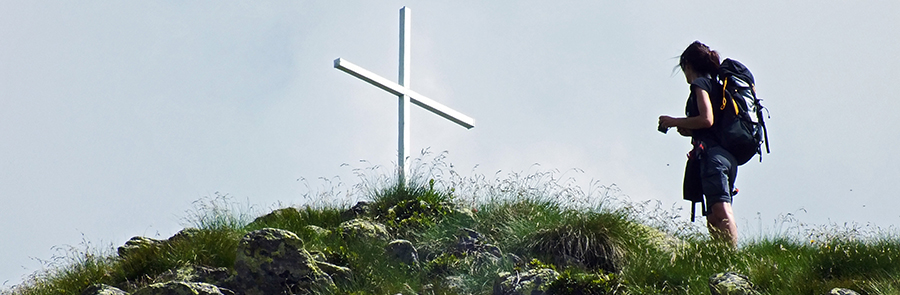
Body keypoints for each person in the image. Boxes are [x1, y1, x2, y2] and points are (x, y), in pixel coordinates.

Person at [658, 41, 739, 247]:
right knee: (712, 214)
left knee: (719, 209)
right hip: (728, 157)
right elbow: (711, 125)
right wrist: (688, 129)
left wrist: (674, 121)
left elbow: (706, 119)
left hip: (714, 157)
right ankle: (721, 256)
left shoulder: (700, 85)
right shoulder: (717, 87)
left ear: (687, 64)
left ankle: (732, 259)